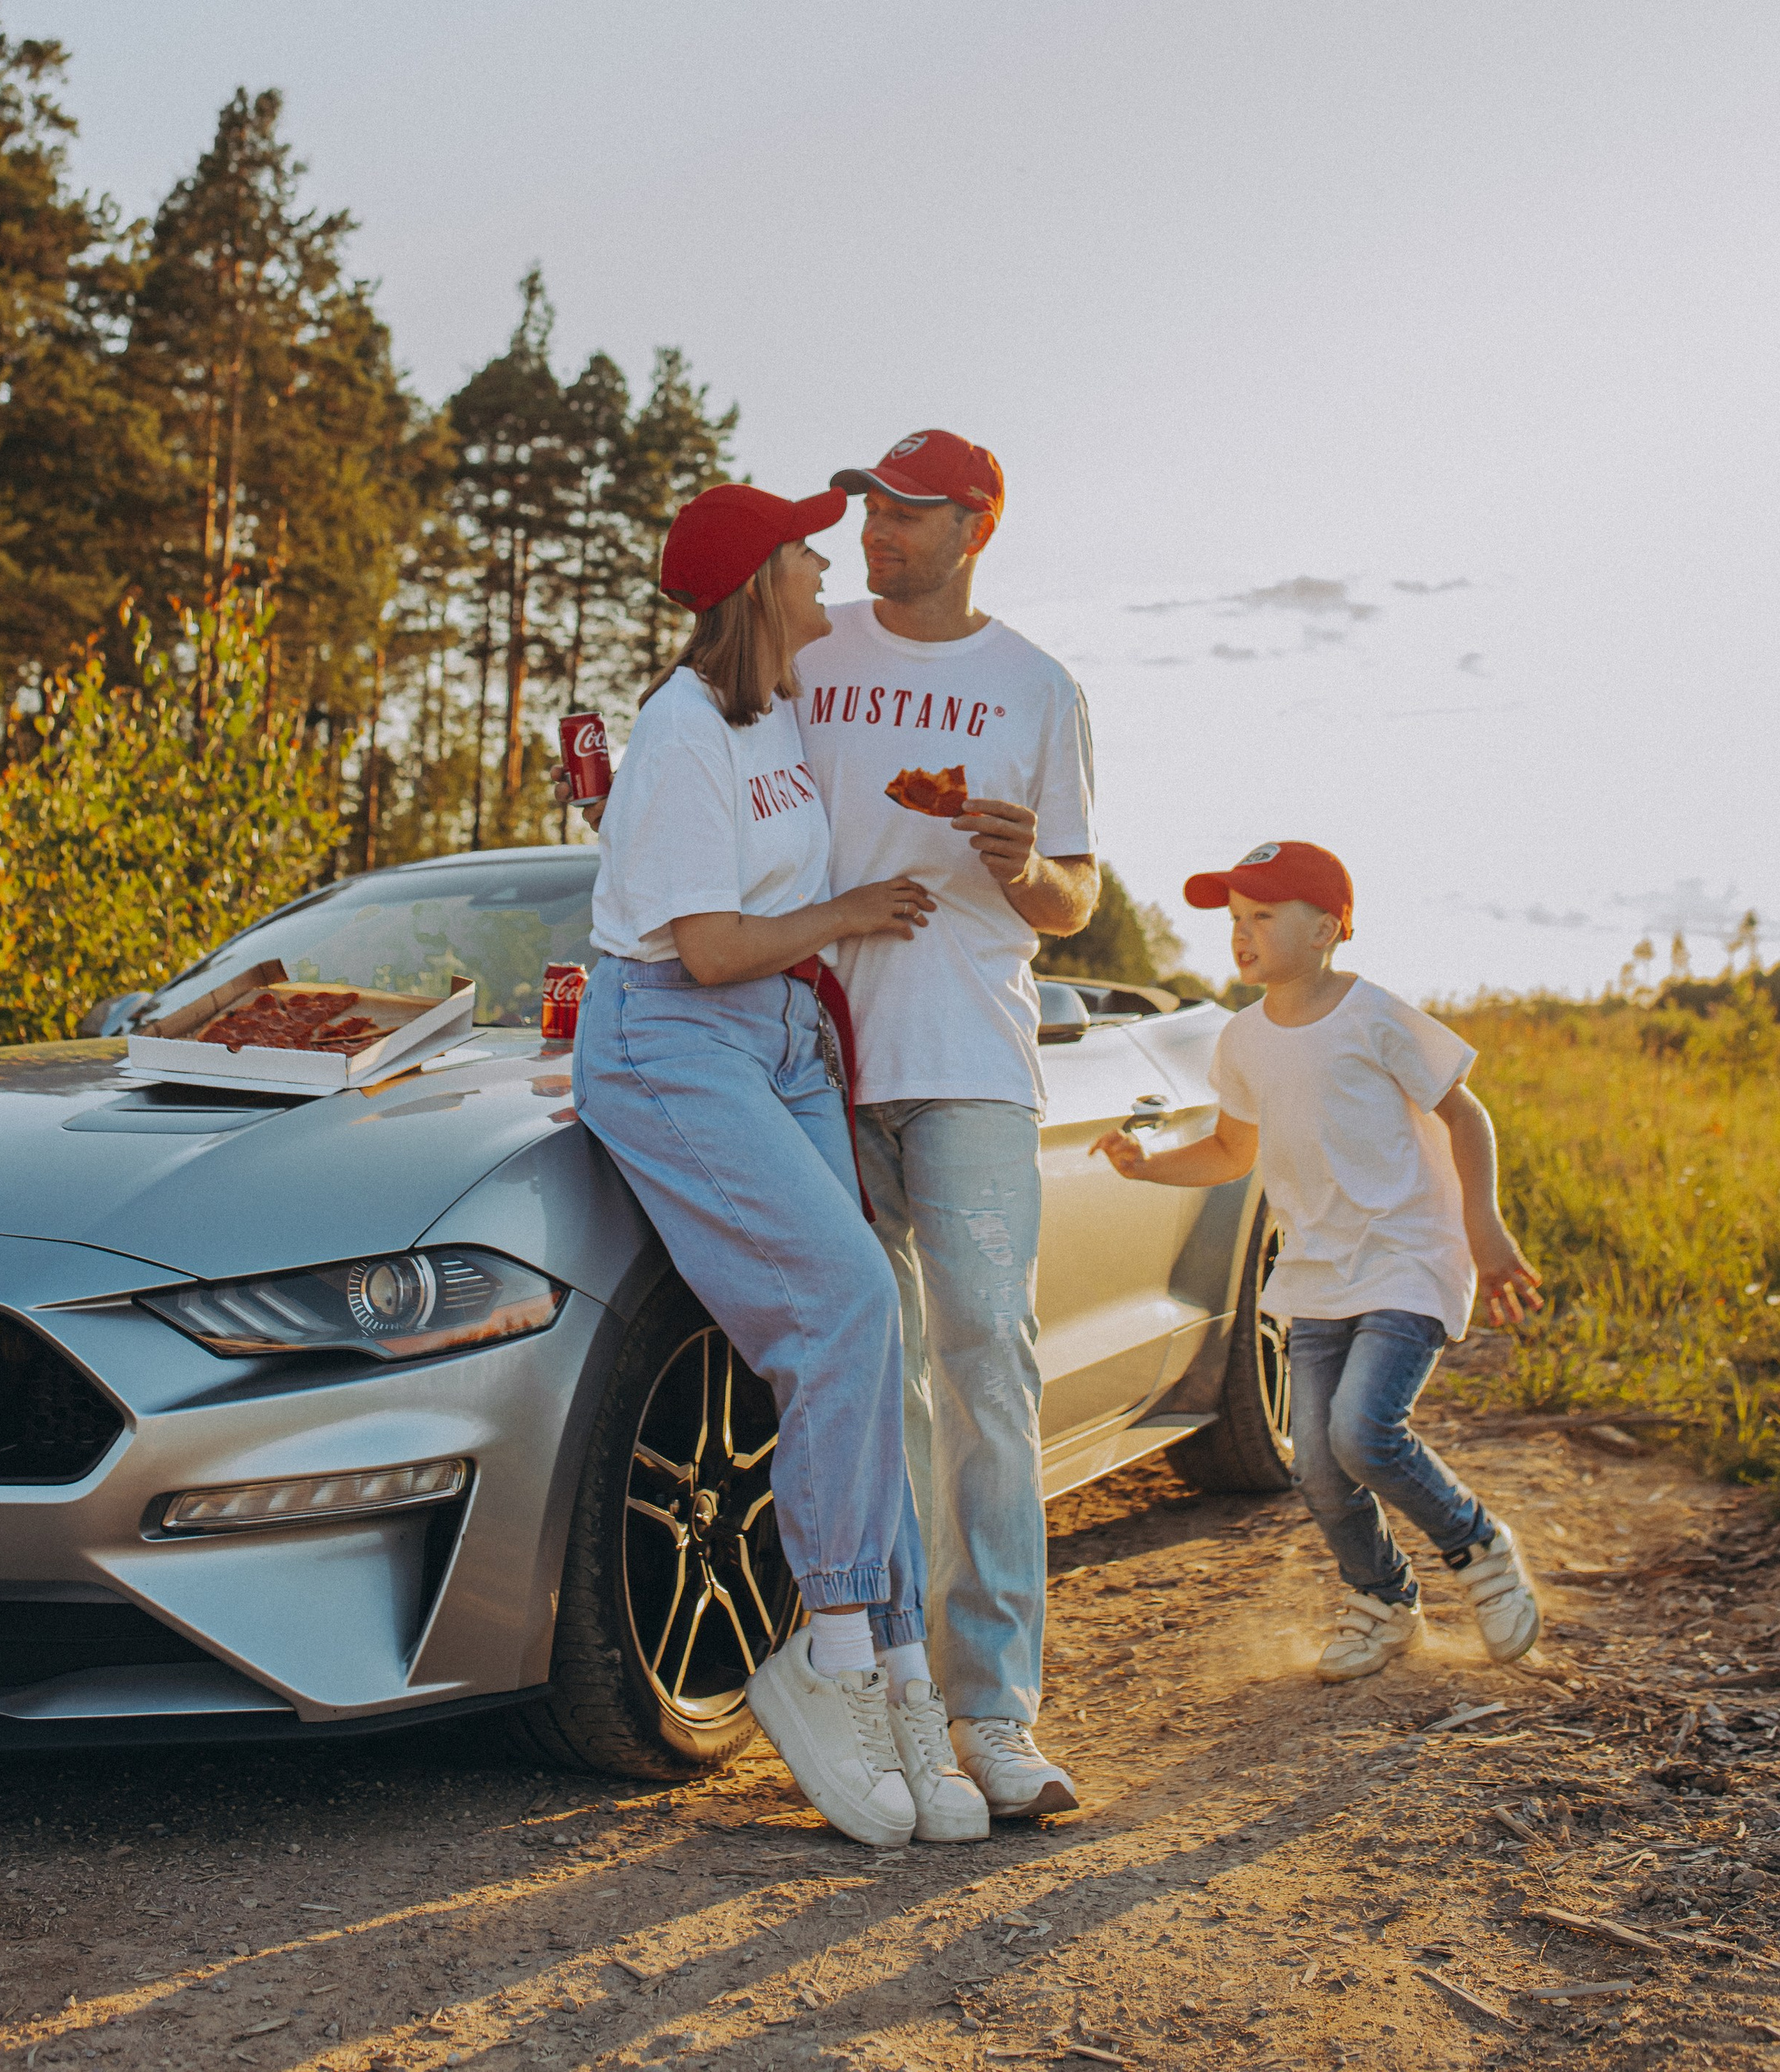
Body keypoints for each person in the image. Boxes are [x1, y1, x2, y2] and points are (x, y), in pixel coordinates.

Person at [570, 479, 990, 1848]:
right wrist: (853, 910)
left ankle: (907, 1684)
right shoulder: (681, 730)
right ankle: (830, 1654)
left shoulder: (780, 710)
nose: (828, 576)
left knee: (878, 1335)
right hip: (675, 1039)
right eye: (809, 558)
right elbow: (699, 947)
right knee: (850, 1306)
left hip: (784, 1031)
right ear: (760, 584)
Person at [793, 430, 1099, 1819]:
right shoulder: (808, 647)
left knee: (986, 1370)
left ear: (975, 525)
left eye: (910, 514)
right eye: (872, 508)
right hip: (805, 1055)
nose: (879, 532)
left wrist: (1026, 865)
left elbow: (1077, 900)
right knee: (869, 1386)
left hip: (969, 1057)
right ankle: (883, 1691)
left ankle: (994, 1712)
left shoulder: (1035, 687)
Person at [1096, 839, 1545, 1684]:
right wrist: (1147, 1165)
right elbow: (1232, 1151)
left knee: (1362, 1433)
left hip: (1406, 1255)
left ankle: (1478, 1547)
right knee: (1316, 1464)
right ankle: (1382, 1598)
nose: (1242, 933)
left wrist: (1483, 1227)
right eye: (1234, 919)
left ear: (1328, 929)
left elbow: (1466, 1117)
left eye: (1263, 915)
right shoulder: (1239, 1040)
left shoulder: (1374, 1015)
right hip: (1314, 1272)